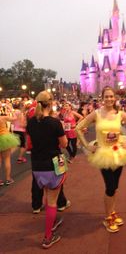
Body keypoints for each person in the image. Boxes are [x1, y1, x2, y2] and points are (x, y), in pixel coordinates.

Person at [76, 86, 126, 233]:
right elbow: (78, 128)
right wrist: (87, 146)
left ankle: (112, 211)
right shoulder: (96, 114)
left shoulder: (120, 114)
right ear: (102, 98)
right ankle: (108, 217)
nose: (109, 99)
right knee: (110, 187)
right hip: (103, 154)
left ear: (115, 98)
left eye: (111, 96)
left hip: (118, 153)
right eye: (106, 96)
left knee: (115, 186)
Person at [27, 91, 68, 249]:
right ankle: (47, 237)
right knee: (52, 201)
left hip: (37, 167)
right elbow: (64, 144)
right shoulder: (54, 122)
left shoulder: (31, 122)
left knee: (47, 195)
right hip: (52, 166)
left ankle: (51, 221)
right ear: (50, 103)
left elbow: (31, 142)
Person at [0, 115, 19, 186]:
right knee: (7, 159)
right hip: (5, 138)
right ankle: (8, 179)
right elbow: (14, 119)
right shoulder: (2, 118)